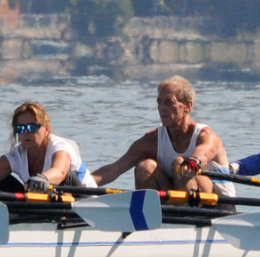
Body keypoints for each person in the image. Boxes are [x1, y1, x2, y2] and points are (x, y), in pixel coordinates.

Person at [87, 76, 234, 195]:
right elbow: (115, 169)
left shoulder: (206, 135)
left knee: (179, 162)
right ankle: (162, 218)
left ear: (187, 106)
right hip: (177, 200)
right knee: (145, 167)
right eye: (160, 102)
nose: (162, 108)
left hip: (218, 206)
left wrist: (194, 161)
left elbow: (203, 152)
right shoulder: (151, 140)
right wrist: (82, 183)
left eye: (169, 103)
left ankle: (186, 216)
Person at [0, 101, 95, 194]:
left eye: (32, 127)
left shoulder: (60, 147)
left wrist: (44, 179)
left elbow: (60, 172)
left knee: (67, 177)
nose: (26, 132)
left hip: (85, 203)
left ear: (46, 129)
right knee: (0, 182)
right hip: (50, 203)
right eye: (20, 128)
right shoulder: (16, 156)